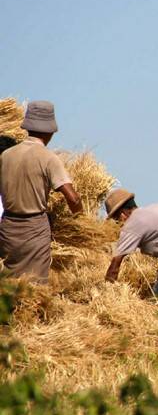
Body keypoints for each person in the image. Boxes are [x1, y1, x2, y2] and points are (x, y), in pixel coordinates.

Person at [0, 101, 82, 282]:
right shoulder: (48, 158)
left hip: (8, 230)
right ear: (50, 131)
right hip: (34, 231)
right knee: (34, 289)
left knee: (9, 284)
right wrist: (80, 220)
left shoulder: (6, 156)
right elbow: (73, 199)